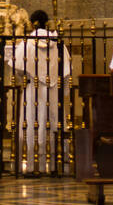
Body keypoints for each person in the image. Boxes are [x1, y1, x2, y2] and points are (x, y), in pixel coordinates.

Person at [12, 9, 71, 176]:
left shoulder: (26, 43)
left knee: (30, 123)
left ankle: (31, 165)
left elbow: (18, 69)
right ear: (48, 23)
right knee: (55, 123)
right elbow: (66, 71)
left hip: (33, 89)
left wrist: (28, 76)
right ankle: (57, 165)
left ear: (31, 24)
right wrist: (62, 89)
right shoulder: (57, 43)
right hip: (53, 90)